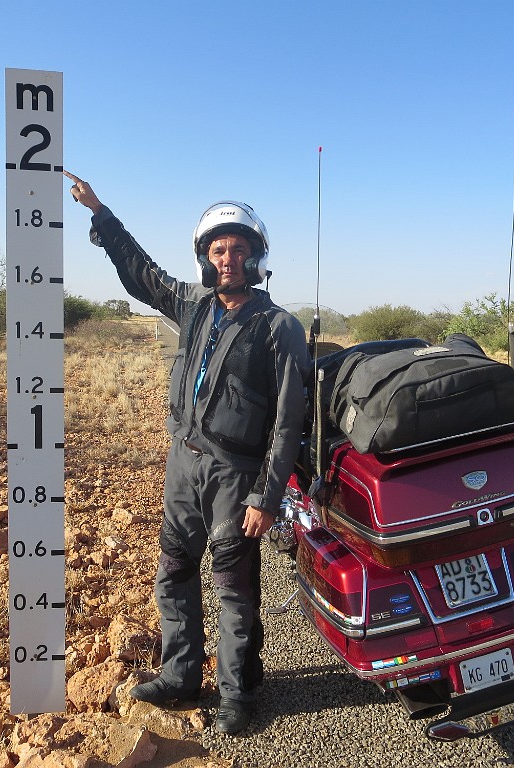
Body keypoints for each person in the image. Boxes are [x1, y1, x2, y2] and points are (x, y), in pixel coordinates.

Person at [64, 172, 309, 735]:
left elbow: (288, 420)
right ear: (205, 258)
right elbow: (139, 270)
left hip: (235, 472)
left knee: (233, 586)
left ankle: (239, 691)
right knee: (173, 571)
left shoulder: (279, 327)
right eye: (217, 250)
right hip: (184, 462)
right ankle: (179, 676)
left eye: (237, 250)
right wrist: (99, 211)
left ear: (256, 257)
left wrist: (266, 497)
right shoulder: (192, 304)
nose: (227, 259)